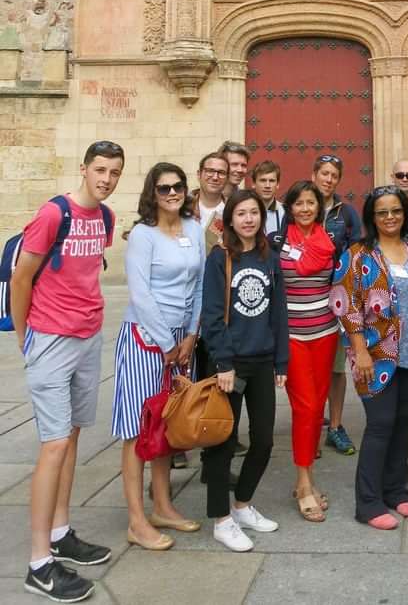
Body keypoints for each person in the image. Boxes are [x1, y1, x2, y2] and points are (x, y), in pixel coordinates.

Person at [11, 141, 124, 603]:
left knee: (73, 435)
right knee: (54, 444)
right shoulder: (54, 214)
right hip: (50, 339)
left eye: (115, 172)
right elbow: (21, 277)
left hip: (87, 335)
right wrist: (26, 338)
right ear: (84, 168)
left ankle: (60, 531)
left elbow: (83, 275)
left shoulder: (107, 219)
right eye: (100, 169)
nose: (107, 178)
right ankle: (39, 565)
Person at [111, 162, 204, 550]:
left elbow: (200, 285)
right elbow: (141, 294)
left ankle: (163, 504)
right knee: (138, 429)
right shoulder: (143, 236)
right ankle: (136, 519)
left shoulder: (195, 229)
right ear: (152, 193)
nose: (171, 193)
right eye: (164, 187)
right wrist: (167, 342)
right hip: (145, 339)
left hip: (182, 342)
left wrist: (192, 335)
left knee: (166, 424)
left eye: (178, 186)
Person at [331, 186, 408, 529]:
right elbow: (345, 305)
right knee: (380, 425)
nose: (390, 217)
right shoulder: (358, 255)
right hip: (374, 356)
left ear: (404, 213)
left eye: (396, 211)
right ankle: (368, 503)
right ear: (372, 217)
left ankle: (397, 490)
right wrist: (360, 351)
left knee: (403, 424)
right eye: (382, 212)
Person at [201, 189, 289, 552]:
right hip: (230, 365)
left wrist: (281, 361)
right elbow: (211, 315)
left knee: (265, 439)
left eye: (255, 213)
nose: (249, 219)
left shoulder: (270, 258)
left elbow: (278, 312)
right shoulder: (220, 258)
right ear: (231, 219)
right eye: (242, 213)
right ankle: (221, 519)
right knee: (222, 442)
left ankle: (242, 505)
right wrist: (223, 362)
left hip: (263, 359)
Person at [272, 180, 338, 522]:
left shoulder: (329, 242)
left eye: (311, 203)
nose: (305, 209)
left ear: (319, 206)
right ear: (290, 208)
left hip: (325, 333)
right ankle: (302, 481)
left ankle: (308, 477)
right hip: (293, 336)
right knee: (306, 405)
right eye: (299, 203)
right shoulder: (279, 243)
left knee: (317, 406)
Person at [312, 153, 362, 457]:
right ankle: (311, 425)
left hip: (337, 297)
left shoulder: (347, 213)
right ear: (315, 174)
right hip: (306, 298)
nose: (329, 179)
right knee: (310, 367)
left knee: (335, 368)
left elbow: (356, 249)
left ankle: (335, 427)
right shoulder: (303, 204)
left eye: (334, 175)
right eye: (325, 173)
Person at [190, 152, 228, 255]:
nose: (215, 177)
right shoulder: (182, 208)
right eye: (210, 171)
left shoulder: (233, 211)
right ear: (199, 174)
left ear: (227, 178)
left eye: (221, 172)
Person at [251, 160, 284, 236]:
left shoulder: (286, 212)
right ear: (253, 183)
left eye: (272, 181)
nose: (267, 185)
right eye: (263, 180)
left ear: (278, 184)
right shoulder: (245, 212)